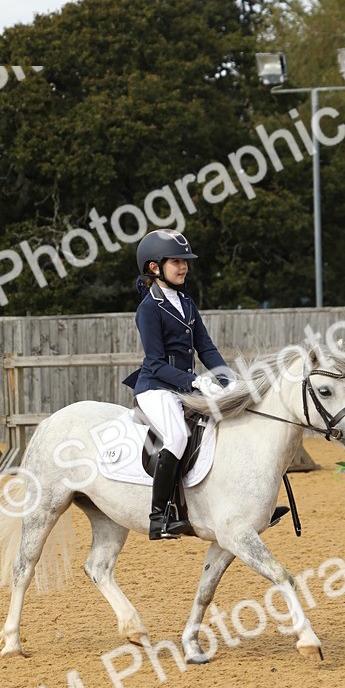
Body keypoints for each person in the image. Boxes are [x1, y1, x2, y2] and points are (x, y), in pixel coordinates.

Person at [122, 228, 233, 540]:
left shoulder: (186, 302)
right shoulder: (148, 308)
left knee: (228, 421)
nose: (184, 266)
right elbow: (155, 363)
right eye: (176, 261)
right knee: (176, 437)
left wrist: (228, 380)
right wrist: (196, 381)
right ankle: (160, 516)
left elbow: (206, 349)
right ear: (154, 267)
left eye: (185, 261)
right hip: (156, 388)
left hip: (185, 386)